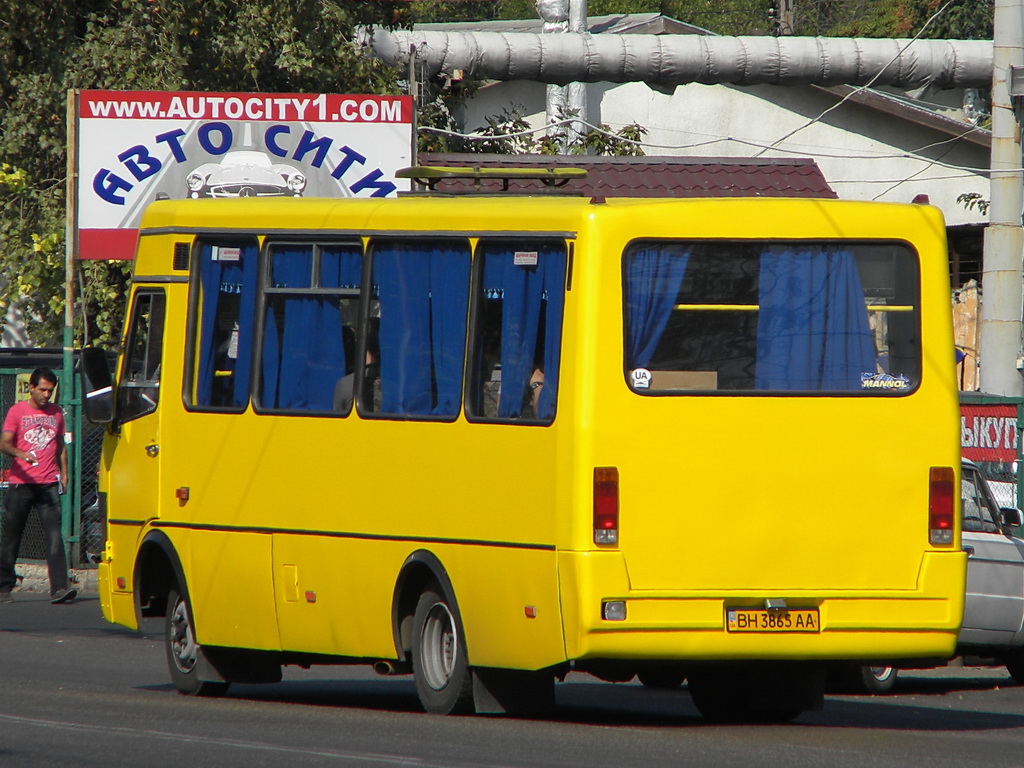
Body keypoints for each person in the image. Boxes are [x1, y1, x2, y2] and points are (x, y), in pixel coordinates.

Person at [0, 368, 76, 604]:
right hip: (21, 485)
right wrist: (21, 453)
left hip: (48, 485)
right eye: (42, 389)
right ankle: (4, 586)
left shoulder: (56, 414)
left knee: (54, 536)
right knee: (13, 536)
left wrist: (64, 473)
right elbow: (4, 443)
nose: (46, 395)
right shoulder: (17, 411)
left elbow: (60, 445)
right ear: (31, 388)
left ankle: (59, 588)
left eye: (50, 391)